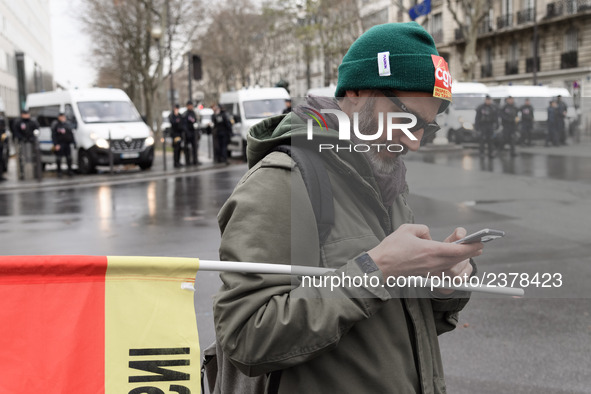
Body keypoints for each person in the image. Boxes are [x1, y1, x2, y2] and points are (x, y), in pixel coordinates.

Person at [213, 22, 483, 393]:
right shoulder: (282, 180)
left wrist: (442, 286)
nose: (415, 142)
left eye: (427, 128)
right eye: (406, 118)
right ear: (355, 92)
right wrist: (378, 269)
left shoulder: (385, 179)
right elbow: (246, 338)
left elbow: (390, 325)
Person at [13, 110, 41, 180]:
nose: (27, 115)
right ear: (22, 115)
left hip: (32, 142)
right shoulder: (18, 122)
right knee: (23, 158)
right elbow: (16, 131)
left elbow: (36, 129)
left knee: (34, 157)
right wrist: (22, 138)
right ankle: (22, 173)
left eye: (27, 114)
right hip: (22, 142)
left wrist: (32, 137)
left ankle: (36, 174)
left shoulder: (32, 122)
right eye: (25, 114)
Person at [51, 112, 76, 177]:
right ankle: (59, 172)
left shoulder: (67, 124)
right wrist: (56, 144)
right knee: (59, 158)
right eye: (62, 117)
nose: (63, 118)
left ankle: (70, 171)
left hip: (67, 144)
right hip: (60, 144)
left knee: (69, 158)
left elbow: (71, 134)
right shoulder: (56, 125)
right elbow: (54, 136)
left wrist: (74, 142)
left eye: (64, 117)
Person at [182, 100, 200, 165]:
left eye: (191, 106)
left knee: (195, 147)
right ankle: (188, 161)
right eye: (190, 106)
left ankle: (195, 160)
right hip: (187, 134)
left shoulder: (193, 113)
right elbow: (184, 125)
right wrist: (187, 132)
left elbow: (196, 122)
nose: (191, 107)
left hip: (193, 133)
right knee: (187, 148)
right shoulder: (185, 114)